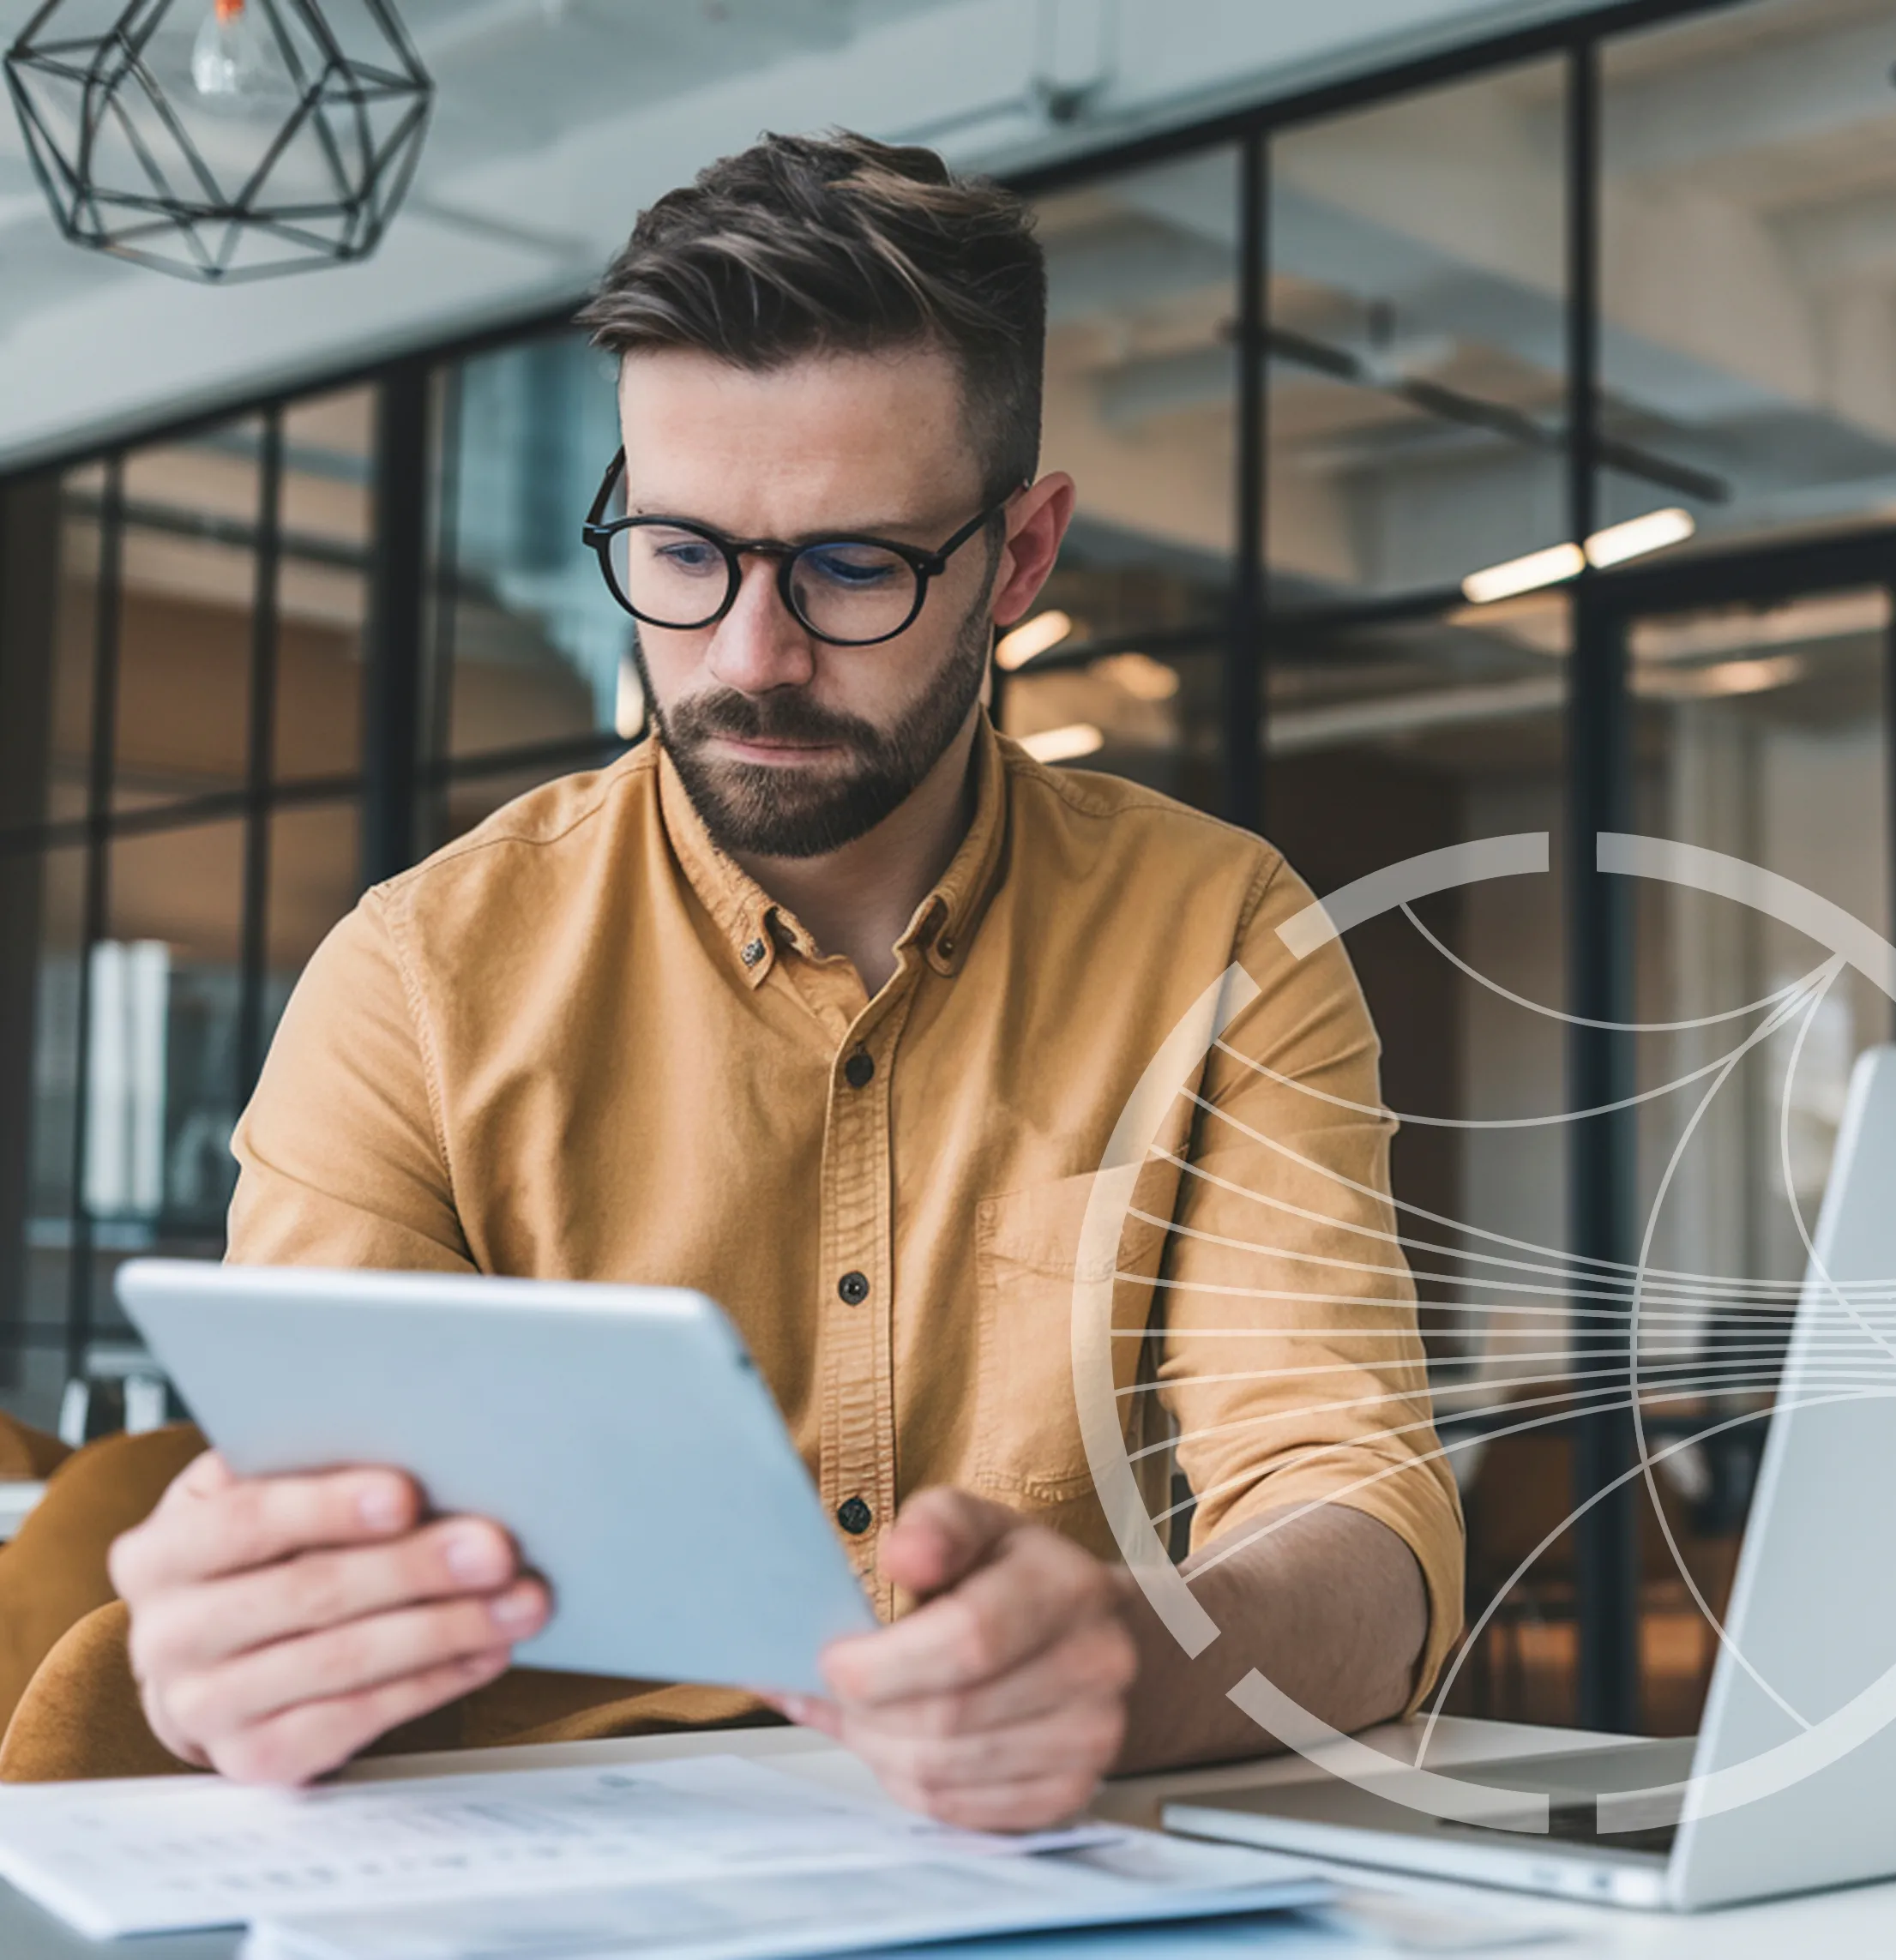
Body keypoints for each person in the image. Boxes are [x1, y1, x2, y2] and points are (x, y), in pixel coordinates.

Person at [0, 132, 1462, 1828]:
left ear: (1021, 555)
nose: (749, 658)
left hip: (1049, 1880)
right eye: (683, 554)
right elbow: (296, 1540)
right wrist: (236, 1647)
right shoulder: (414, 979)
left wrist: (1137, 1665)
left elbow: (1358, 1533)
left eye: (852, 567)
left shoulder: (1222, 936)